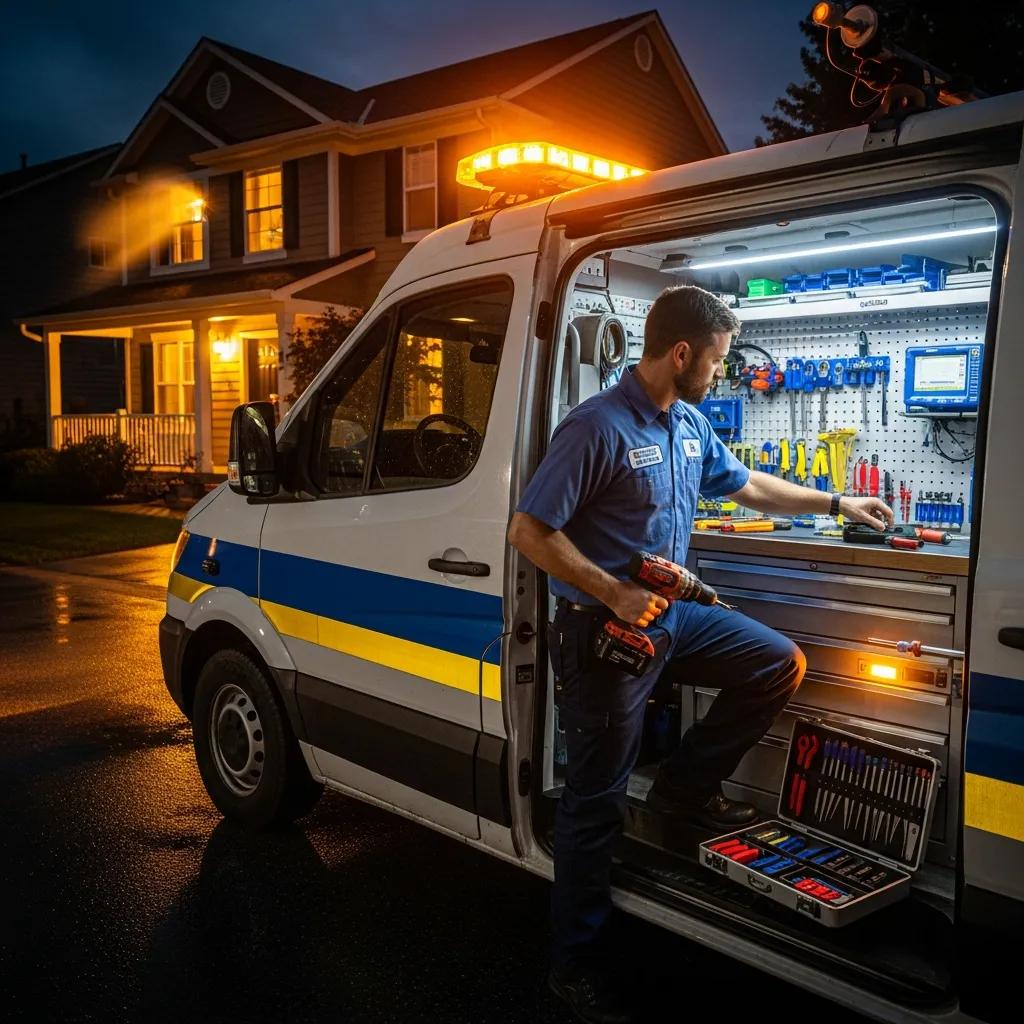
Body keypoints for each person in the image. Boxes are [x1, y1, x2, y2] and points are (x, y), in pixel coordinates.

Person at [507, 285, 893, 1024]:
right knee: (597, 802)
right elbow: (530, 531)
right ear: (682, 353)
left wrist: (839, 503)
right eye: (715, 361)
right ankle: (574, 963)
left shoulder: (688, 424)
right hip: (606, 633)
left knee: (776, 662)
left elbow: (748, 486)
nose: (719, 373)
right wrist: (613, 593)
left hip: (673, 616)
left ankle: (683, 787)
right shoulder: (595, 428)